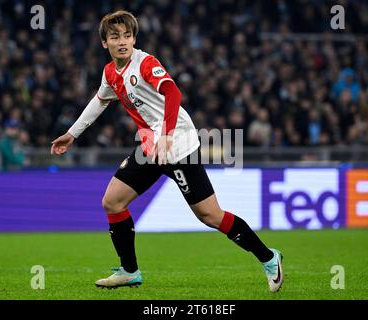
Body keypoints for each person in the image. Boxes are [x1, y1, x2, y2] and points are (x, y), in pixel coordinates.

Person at [50, 10, 284, 293]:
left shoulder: (146, 63)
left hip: (179, 145)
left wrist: (167, 136)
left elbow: (173, 93)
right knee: (112, 201)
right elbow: (99, 102)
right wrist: (72, 134)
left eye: (127, 35)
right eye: (115, 36)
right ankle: (129, 271)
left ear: (134, 38)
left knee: (210, 216)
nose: (122, 41)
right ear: (105, 43)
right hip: (150, 146)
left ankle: (269, 258)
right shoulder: (110, 72)